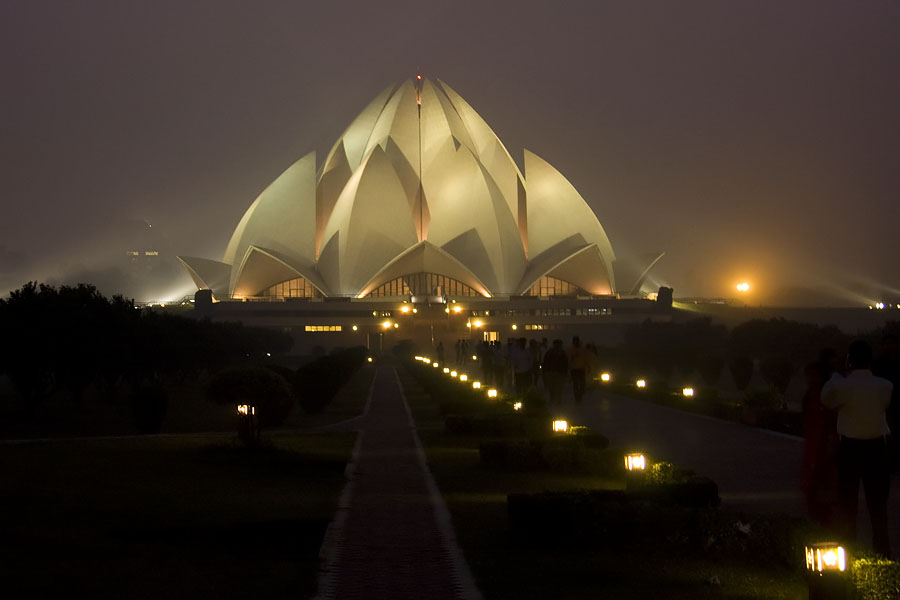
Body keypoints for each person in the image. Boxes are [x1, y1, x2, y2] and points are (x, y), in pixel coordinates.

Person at [821, 340, 893, 556]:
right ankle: (882, 552)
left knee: (848, 504)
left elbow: (827, 399)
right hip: (877, 447)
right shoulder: (885, 386)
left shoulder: (842, 385)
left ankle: (849, 550)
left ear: (849, 361)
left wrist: (836, 375)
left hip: (851, 448)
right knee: (878, 505)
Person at [801, 359, 838, 526]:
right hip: (813, 445)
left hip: (824, 446)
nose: (809, 379)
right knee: (811, 485)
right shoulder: (810, 395)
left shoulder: (826, 395)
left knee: (823, 485)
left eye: (813, 375)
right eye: (808, 375)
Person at [542, 339, 568, 406]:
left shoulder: (562, 353)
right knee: (552, 387)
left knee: (558, 387)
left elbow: (565, 363)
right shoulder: (550, 352)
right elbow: (545, 362)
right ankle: (553, 399)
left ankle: (558, 400)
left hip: (559, 373)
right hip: (551, 372)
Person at [568, 336, 591, 403]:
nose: (576, 342)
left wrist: (588, 367)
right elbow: (569, 359)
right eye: (574, 341)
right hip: (574, 369)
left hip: (581, 369)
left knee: (582, 384)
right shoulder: (571, 349)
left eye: (577, 341)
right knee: (575, 384)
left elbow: (586, 358)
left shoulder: (583, 349)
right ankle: (577, 398)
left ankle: (580, 395)